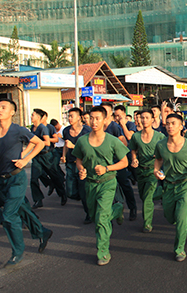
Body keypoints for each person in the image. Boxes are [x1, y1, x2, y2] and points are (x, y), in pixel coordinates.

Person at [0, 99, 47, 266]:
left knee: (9, 215)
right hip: (0, 178)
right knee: (22, 209)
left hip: (17, 178)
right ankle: (42, 232)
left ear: (12, 112)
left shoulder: (18, 130)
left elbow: (39, 143)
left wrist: (26, 159)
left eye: (3, 107)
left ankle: (17, 252)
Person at [73, 106, 130, 266]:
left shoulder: (112, 141)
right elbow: (78, 159)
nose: (94, 121)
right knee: (94, 216)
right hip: (90, 184)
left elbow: (124, 162)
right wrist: (81, 170)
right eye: (91, 118)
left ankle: (103, 252)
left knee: (101, 219)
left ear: (105, 120)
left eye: (97, 118)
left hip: (108, 183)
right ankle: (118, 209)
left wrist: (107, 168)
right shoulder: (82, 140)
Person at [154, 113, 187, 262]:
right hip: (169, 186)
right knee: (171, 218)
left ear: (181, 126)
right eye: (168, 123)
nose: (170, 126)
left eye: (173, 123)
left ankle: (179, 249)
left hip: (185, 185)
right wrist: (156, 171)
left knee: (181, 220)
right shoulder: (161, 144)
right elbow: (158, 160)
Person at [129, 110, 165, 233]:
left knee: (148, 197)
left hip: (153, 171)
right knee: (143, 196)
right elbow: (133, 149)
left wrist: (159, 155)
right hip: (140, 171)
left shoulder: (159, 136)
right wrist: (134, 159)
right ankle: (161, 193)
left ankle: (147, 223)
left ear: (152, 119)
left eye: (146, 117)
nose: (144, 120)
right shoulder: (136, 136)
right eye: (142, 118)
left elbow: (166, 149)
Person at [101, 103, 137, 221]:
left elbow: (125, 144)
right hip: (104, 164)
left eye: (106, 111)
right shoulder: (98, 128)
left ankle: (132, 208)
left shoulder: (114, 127)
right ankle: (113, 211)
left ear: (110, 113)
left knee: (124, 185)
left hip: (117, 162)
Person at [29, 109, 67, 208]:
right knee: (34, 177)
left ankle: (62, 193)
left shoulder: (49, 127)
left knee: (55, 176)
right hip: (37, 155)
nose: (31, 117)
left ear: (42, 117)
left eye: (33, 115)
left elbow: (55, 139)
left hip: (48, 154)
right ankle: (38, 199)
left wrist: (41, 141)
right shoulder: (33, 128)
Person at [62, 108, 92, 224]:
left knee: (83, 191)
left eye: (72, 116)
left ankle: (89, 214)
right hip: (70, 163)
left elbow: (88, 149)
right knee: (70, 192)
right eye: (68, 116)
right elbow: (66, 144)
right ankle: (81, 196)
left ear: (79, 118)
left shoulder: (87, 131)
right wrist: (64, 155)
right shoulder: (66, 131)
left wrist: (73, 146)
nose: (70, 118)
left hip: (83, 164)